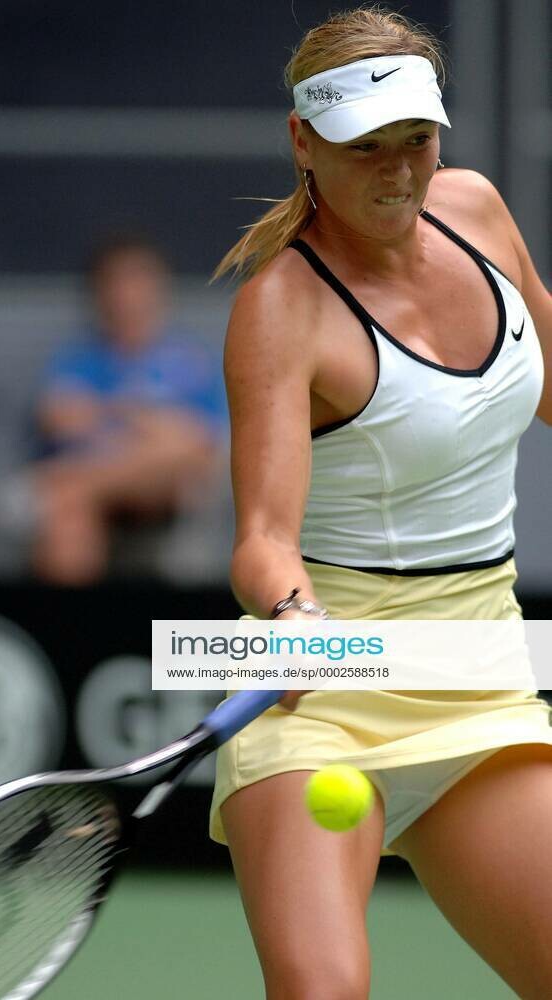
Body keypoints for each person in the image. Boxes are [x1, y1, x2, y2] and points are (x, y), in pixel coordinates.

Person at [208, 8, 552, 999]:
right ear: (303, 141)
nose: (397, 171)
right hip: (323, 696)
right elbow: (262, 537)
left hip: (479, 680)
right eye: (366, 147)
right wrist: (290, 613)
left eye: (415, 139)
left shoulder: (476, 210)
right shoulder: (280, 309)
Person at [27, 234, 227, 585]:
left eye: (138, 279)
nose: (126, 295)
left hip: (163, 488)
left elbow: (201, 443)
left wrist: (114, 415)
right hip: (105, 471)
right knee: (70, 520)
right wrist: (146, 424)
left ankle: (86, 487)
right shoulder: (78, 357)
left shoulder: (190, 359)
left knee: (75, 493)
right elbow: (61, 419)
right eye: (116, 281)